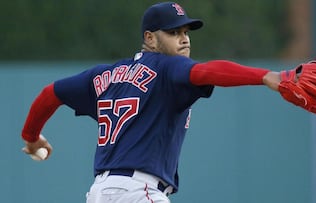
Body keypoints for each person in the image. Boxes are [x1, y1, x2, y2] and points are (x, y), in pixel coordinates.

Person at [21, 2, 282, 203]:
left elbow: (50, 94)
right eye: (173, 32)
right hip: (138, 192)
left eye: (185, 31)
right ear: (150, 38)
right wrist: (267, 76)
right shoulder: (170, 67)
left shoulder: (102, 76)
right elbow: (207, 71)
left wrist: (31, 137)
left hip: (99, 194)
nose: (184, 38)